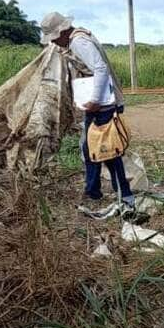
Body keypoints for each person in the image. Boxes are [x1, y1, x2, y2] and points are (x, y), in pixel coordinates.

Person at [39, 11, 135, 211]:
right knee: (91, 147)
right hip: (102, 102)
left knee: (107, 150)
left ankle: (124, 195)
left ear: (62, 32)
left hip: (103, 104)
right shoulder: (77, 39)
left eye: (55, 38)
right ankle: (93, 191)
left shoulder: (78, 42)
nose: (55, 43)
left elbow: (100, 69)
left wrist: (94, 100)